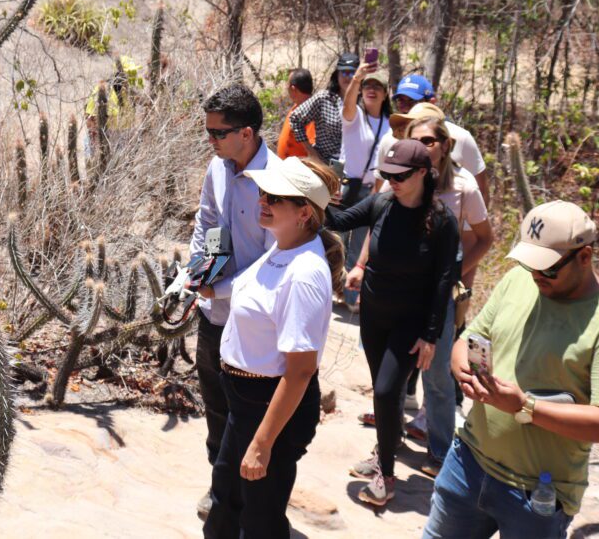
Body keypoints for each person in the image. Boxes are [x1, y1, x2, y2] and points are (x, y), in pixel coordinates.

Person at [423, 201, 599, 538]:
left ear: (584, 256)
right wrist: (461, 367)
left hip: (536, 495)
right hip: (467, 463)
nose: (536, 275)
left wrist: (525, 407)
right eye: (530, 264)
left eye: (548, 268)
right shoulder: (518, 280)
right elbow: (470, 338)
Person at [203, 157, 343, 538]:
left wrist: (263, 444)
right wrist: (210, 288)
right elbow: (248, 283)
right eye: (263, 192)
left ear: (303, 213)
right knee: (226, 500)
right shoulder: (283, 248)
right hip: (245, 401)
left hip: (271, 407)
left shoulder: (304, 274)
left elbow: (299, 372)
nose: (263, 200)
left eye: (275, 197)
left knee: (259, 520)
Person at [326, 139, 459, 506]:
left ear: (421, 173)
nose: (391, 180)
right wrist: (315, 195)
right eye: (386, 174)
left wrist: (431, 335)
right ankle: (383, 452)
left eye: (399, 175)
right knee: (383, 394)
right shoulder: (382, 203)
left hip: (409, 322)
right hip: (373, 314)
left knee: (386, 391)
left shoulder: (442, 221)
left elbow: (444, 280)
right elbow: (337, 221)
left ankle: (386, 473)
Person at [190, 84, 281, 521]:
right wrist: (201, 269)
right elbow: (209, 220)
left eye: (218, 133)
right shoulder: (218, 168)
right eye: (208, 132)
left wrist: (220, 289)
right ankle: (219, 487)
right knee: (214, 407)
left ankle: (247, 500)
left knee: (245, 413)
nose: (211, 140)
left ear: (246, 133)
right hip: (214, 315)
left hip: (253, 321)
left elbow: (272, 259)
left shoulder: (278, 181)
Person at [401, 116, 493, 476]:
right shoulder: (402, 178)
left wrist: (454, 274)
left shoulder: (464, 186)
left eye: (428, 140)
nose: (422, 147)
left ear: (444, 145)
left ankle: (439, 452)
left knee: (438, 377)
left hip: (439, 297)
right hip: (401, 292)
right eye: (414, 140)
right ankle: (387, 447)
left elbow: (484, 237)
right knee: (392, 374)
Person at [383, 76, 489, 207]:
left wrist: (466, 225)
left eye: (411, 101)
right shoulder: (390, 139)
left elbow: (481, 191)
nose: (405, 108)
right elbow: (380, 197)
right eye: (400, 101)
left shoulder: (462, 138)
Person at [336, 61, 392, 308]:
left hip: (371, 189)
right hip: (346, 186)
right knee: (335, 241)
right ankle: (328, 290)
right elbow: (348, 104)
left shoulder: (391, 123)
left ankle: (349, 296)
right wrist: (357, 78)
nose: (371, 90)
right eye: (367, 86)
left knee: (358, 244)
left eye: (377, 87)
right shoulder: (355, 116)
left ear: (385, 92)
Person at [287, 53, 360, 165]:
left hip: (355, 168)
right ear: (337, 75)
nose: (347, 77)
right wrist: (311, 152)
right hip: (325, 166)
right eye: (344, 72)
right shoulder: (323, 98)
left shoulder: (363, 102)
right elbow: (295, 118)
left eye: (351, 73)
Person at [276, 68, 316, 159]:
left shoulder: (312, 114)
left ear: (293, 89)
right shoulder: (296, 107)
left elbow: (313, 152)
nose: (286, 88)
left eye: (287, 85)